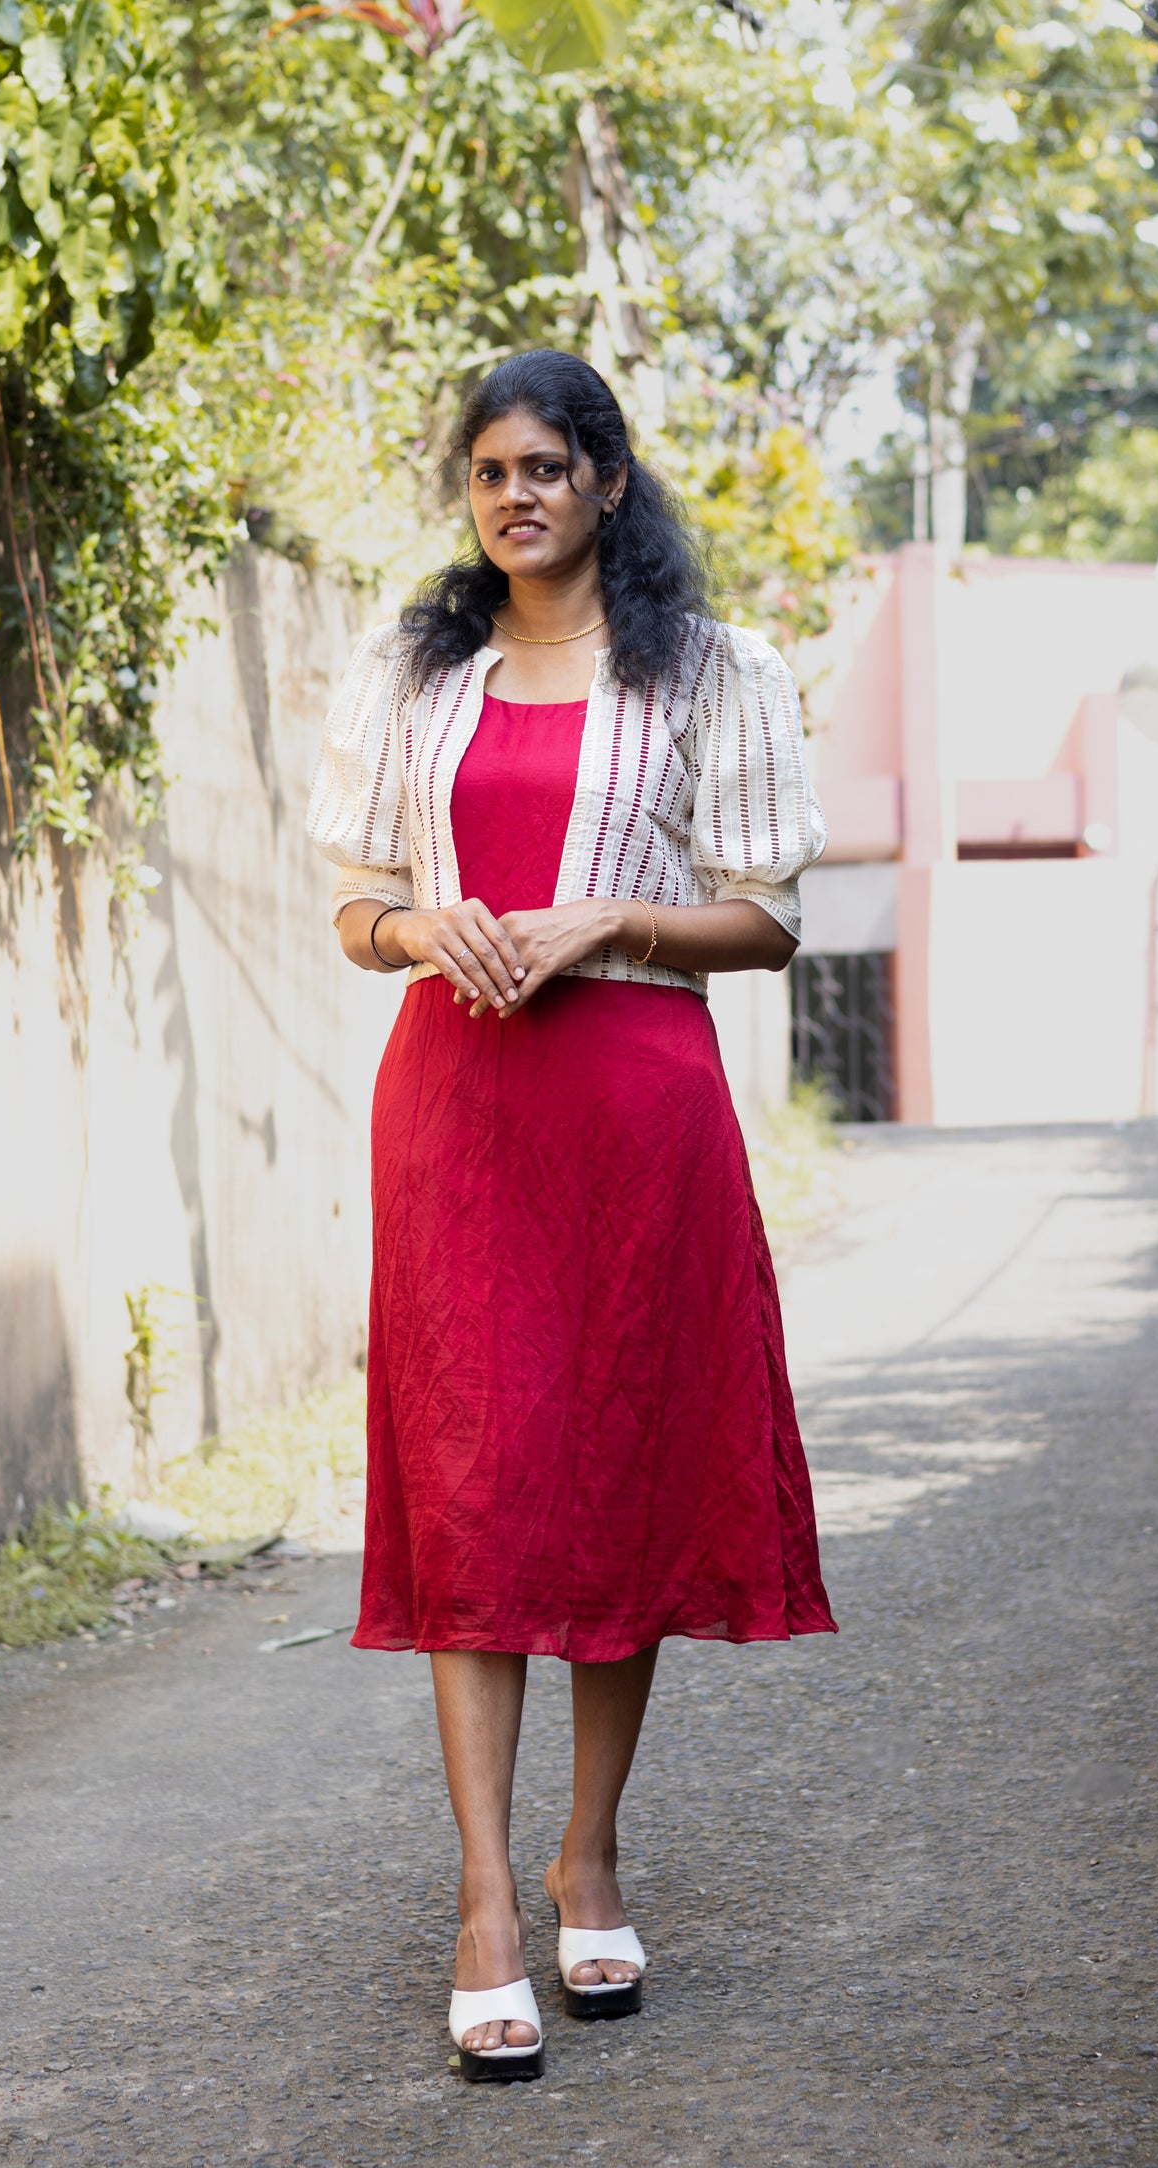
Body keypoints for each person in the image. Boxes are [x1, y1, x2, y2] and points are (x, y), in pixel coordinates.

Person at [306, 348, 836, 2083]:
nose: (515, 495)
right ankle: (480, 1904)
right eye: (487, 473)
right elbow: (358, 901)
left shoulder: (712, 670)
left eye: (546, 466)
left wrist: (598, 916)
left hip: (634, 1104)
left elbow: (761, 919)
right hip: (457, 1110)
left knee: (611, 1475)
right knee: (471, 1484)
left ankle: (586, 1856)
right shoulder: (417, 670)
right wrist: (422, 934)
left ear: (609, 480)